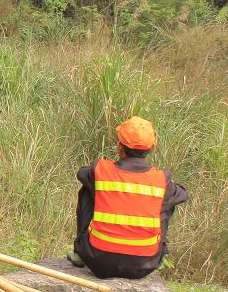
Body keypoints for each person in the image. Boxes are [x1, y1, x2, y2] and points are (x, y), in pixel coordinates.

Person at [69, 116, 188, 279]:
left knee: (89, 189)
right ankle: (148, 246)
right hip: (143, 264)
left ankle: (79, 254)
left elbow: (82, 173)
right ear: (152, 147)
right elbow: (183, 193)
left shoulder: (100, 171)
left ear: (119, 147)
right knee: (166, 201)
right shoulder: (161, 180)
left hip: (98, 259)